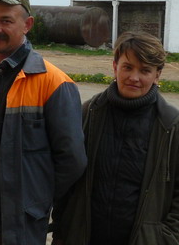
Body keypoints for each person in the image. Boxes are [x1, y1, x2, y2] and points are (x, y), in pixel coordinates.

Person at [0, 0, 87, 245]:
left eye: (6, 21)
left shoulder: (55, 83)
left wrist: (35, 198)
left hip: (13, 208)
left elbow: (72, 160)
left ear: (27, 24)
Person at [52, 31, 179, 245]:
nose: (134, 78)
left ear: (157, 75)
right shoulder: (88, 114)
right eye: (127, 67)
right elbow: (65, 179)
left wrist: (167, 237)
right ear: (114, 67)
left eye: (145, 70)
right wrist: (62, 231)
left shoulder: (171, 126)